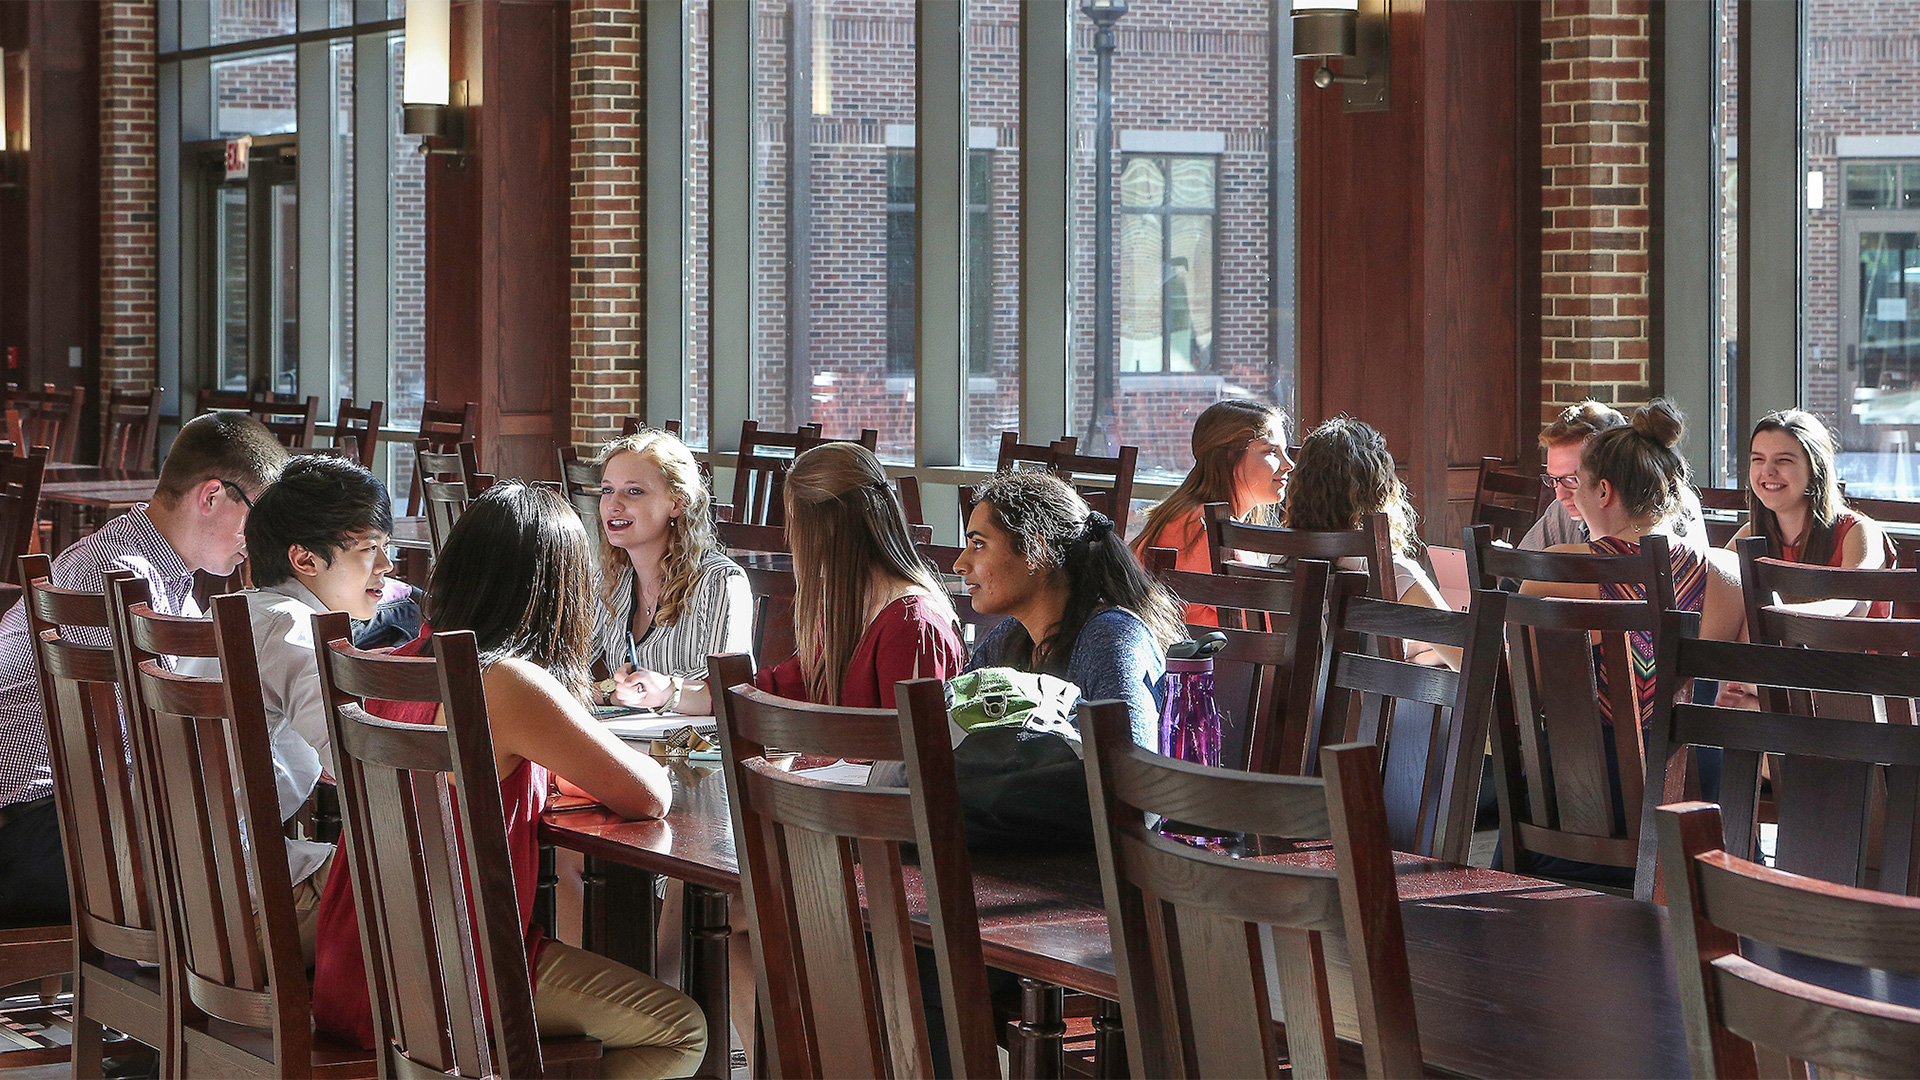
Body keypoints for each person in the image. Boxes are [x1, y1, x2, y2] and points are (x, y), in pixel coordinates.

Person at [311, 482, 706, 1079]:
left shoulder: (399, 664)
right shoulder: (506, 681)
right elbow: (649, 793)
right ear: (557, 593)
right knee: (681, 1031)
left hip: (355, 964)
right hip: (458, 977)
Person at [0, 412, 287, 929]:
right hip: (41, 842)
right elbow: (156, 754)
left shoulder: (119, 551)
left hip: (34, 823)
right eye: (259, 517)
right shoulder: (131, 583)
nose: (258, 538)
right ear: (212, 496)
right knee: (268, 884)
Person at [174, 455, 393, 961]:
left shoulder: (237, 615)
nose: (386, 568)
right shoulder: (294, 627)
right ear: (305, 559)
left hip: (173, 892)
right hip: (248, 908)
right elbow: (361, 769)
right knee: (445, 886)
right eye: (369, 550)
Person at [1522, 400, 1743, 726]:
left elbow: (1520, 701)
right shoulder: (1732, 573)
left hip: (1584, 773)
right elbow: (1756, 694)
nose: (1565, 496)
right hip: (1702, 772)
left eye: (1577, 482)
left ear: (1603, 492)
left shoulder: (1555, 570)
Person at [957, 469, 1185, 748]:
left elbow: (1132, 768)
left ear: (1034, 552)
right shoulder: (1009, 637)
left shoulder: (1112, 638)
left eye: (978, 545)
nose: (960, 564)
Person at [755, 442, 966, 707]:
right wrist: (714, 696)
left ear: (828, 530)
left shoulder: (912, 625)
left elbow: (910, 742)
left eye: (796, 525)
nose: (793, 542)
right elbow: (796, 683)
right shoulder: (850, 603)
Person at [591, 429, 750, 716]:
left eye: (634, 491)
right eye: (607, 490)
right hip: (627, 746)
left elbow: (732, 693)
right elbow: (564, 677)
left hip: (701, 751)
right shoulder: (608, 581)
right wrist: (611, 692)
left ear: (677, 503)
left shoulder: (720, 582)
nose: (613, 505)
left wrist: (669, 691)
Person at [1281, 417, 1457, 666]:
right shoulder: (1391, 573)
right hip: (1371, 702)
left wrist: (1422, 656)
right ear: (1381, 492)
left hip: (1292, 702)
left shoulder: (1279, 559)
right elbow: (1468, 660)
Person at [1129, 398, 1292, 625]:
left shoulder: (1189, 514)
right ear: (1228, 456)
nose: (1289, 464)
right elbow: (1261, 629)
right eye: (1271, 451)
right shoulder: (1204, 528)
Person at [1522, 399, 1708, 552]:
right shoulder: (1561, 512)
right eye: (1553, 480)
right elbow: (1515, 578)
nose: (1559, 495)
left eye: (1573, 479)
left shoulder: (1671, 509)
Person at [1732, 408, 1892, 573]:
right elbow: (1711, 585)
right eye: (1758, 459)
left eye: (1783, 460)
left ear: (1816, 468)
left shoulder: (1859, 533)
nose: (1767, 471)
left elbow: (1853, 598)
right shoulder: (1750, 533)